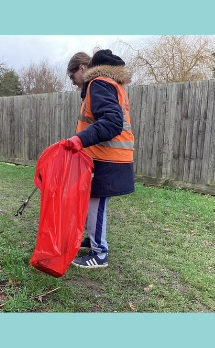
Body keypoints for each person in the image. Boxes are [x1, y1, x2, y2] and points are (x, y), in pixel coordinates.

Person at [61, 50, 136, 268]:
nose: (74, 83)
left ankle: (100, 252)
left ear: (82, 69)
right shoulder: (110, 84)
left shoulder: (98, 83)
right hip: (107, 156)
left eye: (72, 75)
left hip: (108, 157)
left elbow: (113, 123)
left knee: (96, 203)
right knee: (91, 201)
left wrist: (79, 140)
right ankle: (94, 240)